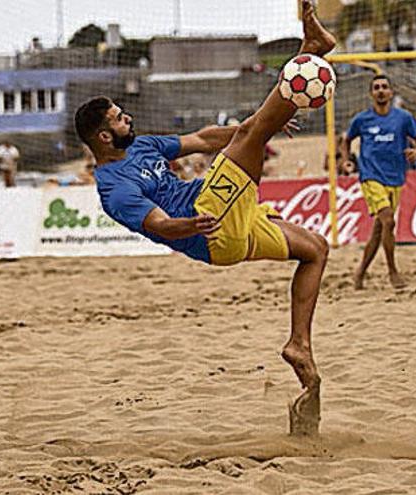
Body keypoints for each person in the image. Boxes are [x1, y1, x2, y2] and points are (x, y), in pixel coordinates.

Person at [73, 0, 334, 435]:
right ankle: (312, 50)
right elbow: (157, 225)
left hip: (230, 221)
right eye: (120, 118)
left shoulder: (139, 146)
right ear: (103, 136)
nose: (128, 117)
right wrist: (190, 226)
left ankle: (299, 345)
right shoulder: (112, 187)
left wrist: (251, 130)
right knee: (255, 129)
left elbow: (202, 138)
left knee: (315, 250)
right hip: (208, 224)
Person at [340, 75, 416, 290]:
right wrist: (345, 161)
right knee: (388, 221)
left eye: (384, 87)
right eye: (376, 87)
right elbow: (346, 141)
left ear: (391, 93)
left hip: (396, 177)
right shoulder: (362, 119)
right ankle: (392, 271)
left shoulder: (403, 118)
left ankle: (360, 273)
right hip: (371, 176)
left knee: (379, 230)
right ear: (371, 93)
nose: (380, 91)